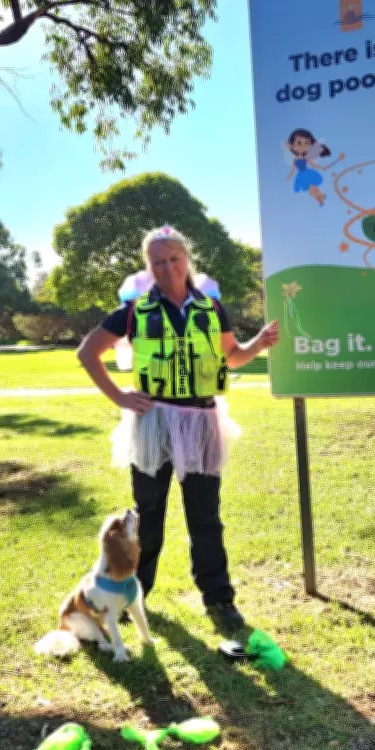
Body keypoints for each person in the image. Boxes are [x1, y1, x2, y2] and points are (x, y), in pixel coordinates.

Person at [77, 225, 279, 630]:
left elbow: (232, 357)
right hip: (155, 422)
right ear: (148, 267)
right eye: (157, 262)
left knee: (205, 516)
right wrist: (119, 397)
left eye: (174, 259)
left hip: (203, 422)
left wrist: (256, 344)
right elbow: (87, 352)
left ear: (187, 260)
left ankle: (219, 599)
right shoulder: (134, 310)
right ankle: (134, 593)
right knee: (148, 515)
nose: (167, 267)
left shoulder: (210, 308)